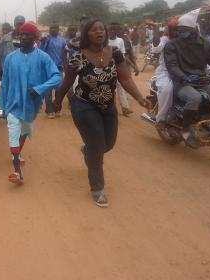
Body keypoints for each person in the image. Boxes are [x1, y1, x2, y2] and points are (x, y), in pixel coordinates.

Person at [54, 19, 148, 208]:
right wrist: (57, 101)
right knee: (98, 148)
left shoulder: (115, 53)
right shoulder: (77, 57)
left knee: (108, 144)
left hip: (108, 107)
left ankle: (88, 151)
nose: (100, 32)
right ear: (86, 34)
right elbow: (66, 83)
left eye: (101, 29)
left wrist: (139, 98)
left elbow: (125, 78)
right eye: (94, 30)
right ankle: (98, 188)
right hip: (84, 106)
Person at [0, 22, 62, 184]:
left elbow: (57, 77)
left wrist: (40, 88)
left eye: (27, 34)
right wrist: (3, 106)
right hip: (13, 103)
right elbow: (5, 83)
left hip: (32, 105)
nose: (22, 37)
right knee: (13, 131)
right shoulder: (10, 58)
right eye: (21, 34)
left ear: (34, 37)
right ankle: (17, 170)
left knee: (24, 131)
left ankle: (17, 153)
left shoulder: (43, 57)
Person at [164, 10, 210, 148]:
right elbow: (172, 66)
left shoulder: (205, 44)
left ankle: (209, 124)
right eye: (179, 30)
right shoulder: (172, 45)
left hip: (201, 80)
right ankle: (186, 129)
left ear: (193, 29)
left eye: (184, 30)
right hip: (181, 81)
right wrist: (185, 77)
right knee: (194, 98)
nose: (181, 33)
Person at [153, 18, 178, 127]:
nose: (176, 32)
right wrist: (156, 30)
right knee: (167, 89)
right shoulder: (165, 39)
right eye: (173, 29)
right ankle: (161, 119)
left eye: (178, 29)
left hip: (184, 71)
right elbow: (156, 48)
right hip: (165, 72)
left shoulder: (186, 41)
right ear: (169, 30)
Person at [40, 23, 67, 118]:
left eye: (56, 28)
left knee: (59, 90)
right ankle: (49, 110)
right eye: (52, 28)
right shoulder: (46, 40)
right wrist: (43, 43)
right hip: (47, 69)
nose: (53, 30)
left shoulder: (63, 41)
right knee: (48, 91)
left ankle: (57, 108)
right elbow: (41, 52)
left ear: (58, 29)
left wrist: (65, 67)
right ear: (49, 29)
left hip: (59, 68)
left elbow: (64, 55)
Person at [108, 23, 132, 116]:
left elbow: (123, 54)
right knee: (111, 90)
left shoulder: (120, 40)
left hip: (119, 67)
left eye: (114, 30)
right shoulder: (105, 41)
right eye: (110, 30)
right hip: (108, 69)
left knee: (121, 87)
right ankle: (113, 109)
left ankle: (125, 108)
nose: (112, 32)